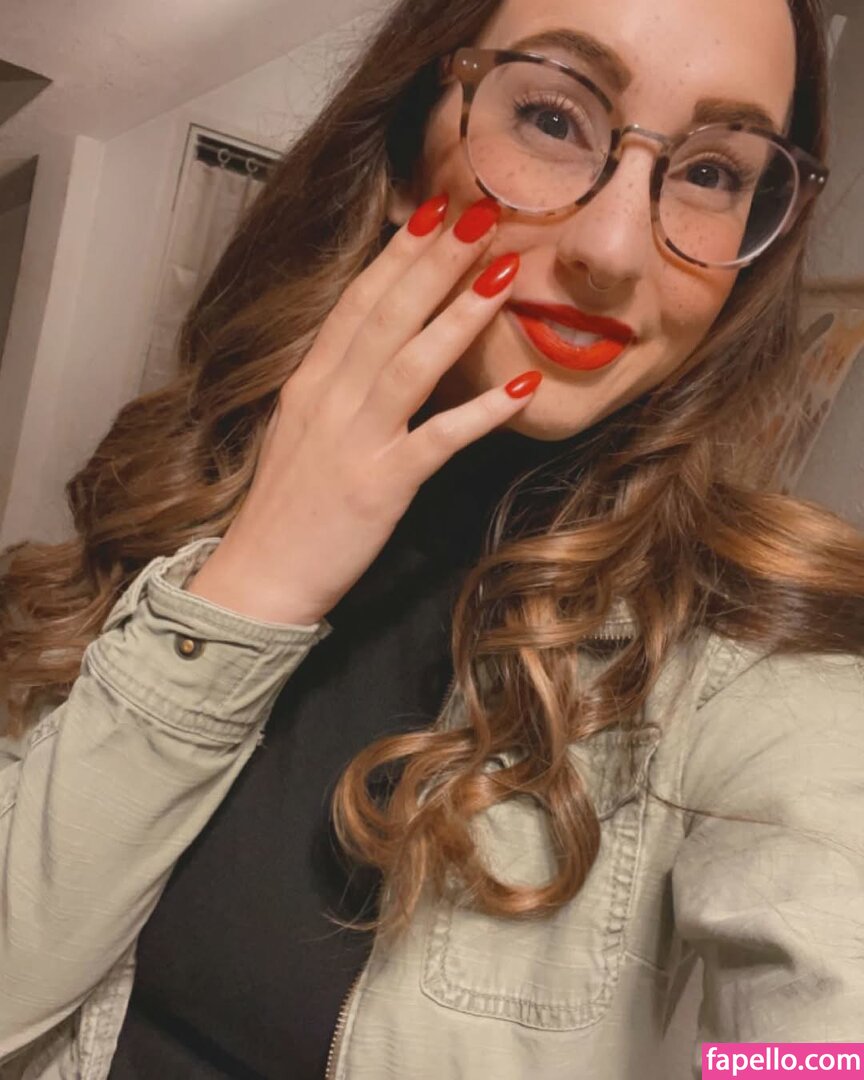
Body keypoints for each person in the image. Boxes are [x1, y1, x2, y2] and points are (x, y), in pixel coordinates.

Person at [1, 0, 862, 1076]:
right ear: (412, 141)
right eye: (553, 118)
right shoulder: (188, 484)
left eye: (712, 173)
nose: (612, 250)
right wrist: (255, 582)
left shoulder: (760, 663)